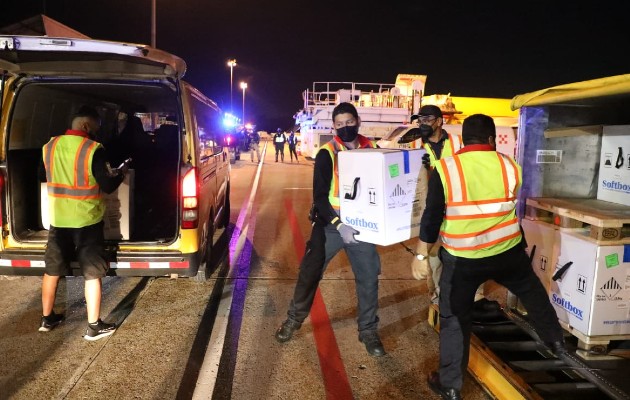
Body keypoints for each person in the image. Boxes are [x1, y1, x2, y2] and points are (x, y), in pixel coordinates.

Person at [413, 114, 566, 400]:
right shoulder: (510, 166)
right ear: (491, 140)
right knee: (532, 292)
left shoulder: (446, 169)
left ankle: (450, 384)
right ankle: (556, 342)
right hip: (507, 252)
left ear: (463, 139)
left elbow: (432, 217)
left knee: (455, 319)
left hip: (463, 259)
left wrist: (421, 256)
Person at [274, 102, 385, 357]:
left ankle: (368, 331)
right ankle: (293, 319)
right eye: (339, 124)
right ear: (333, 127)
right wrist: (338, 224)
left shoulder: (374, 150)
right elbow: (320, 198)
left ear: (358, 121)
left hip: (363, 228)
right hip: (331, 226)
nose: (345, 127)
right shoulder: (327, 153)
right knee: (309, 273)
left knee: (368, 279)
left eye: (349, 122)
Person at [39, 105, 129, 341]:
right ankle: (93, 326)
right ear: (87, 126)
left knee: (52, 270)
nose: (97, 132)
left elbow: (43, 175)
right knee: (92, 273)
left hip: (58, 219)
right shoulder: (93, 149)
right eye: (96, 127)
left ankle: (47, 319)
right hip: (86, 221)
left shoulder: (50, 146)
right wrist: (121, 172)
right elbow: (107, 185)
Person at [410, 104, 471, 304]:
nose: (422, 124)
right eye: (420, 120)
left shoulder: (458, 142)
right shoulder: (415, 147)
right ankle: (437, 297)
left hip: (457, 207)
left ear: (439, 121)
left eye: (427, 120)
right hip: (433, 208)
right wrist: (424, 169)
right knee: (434, 258)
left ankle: (470, 296)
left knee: (463, 256)